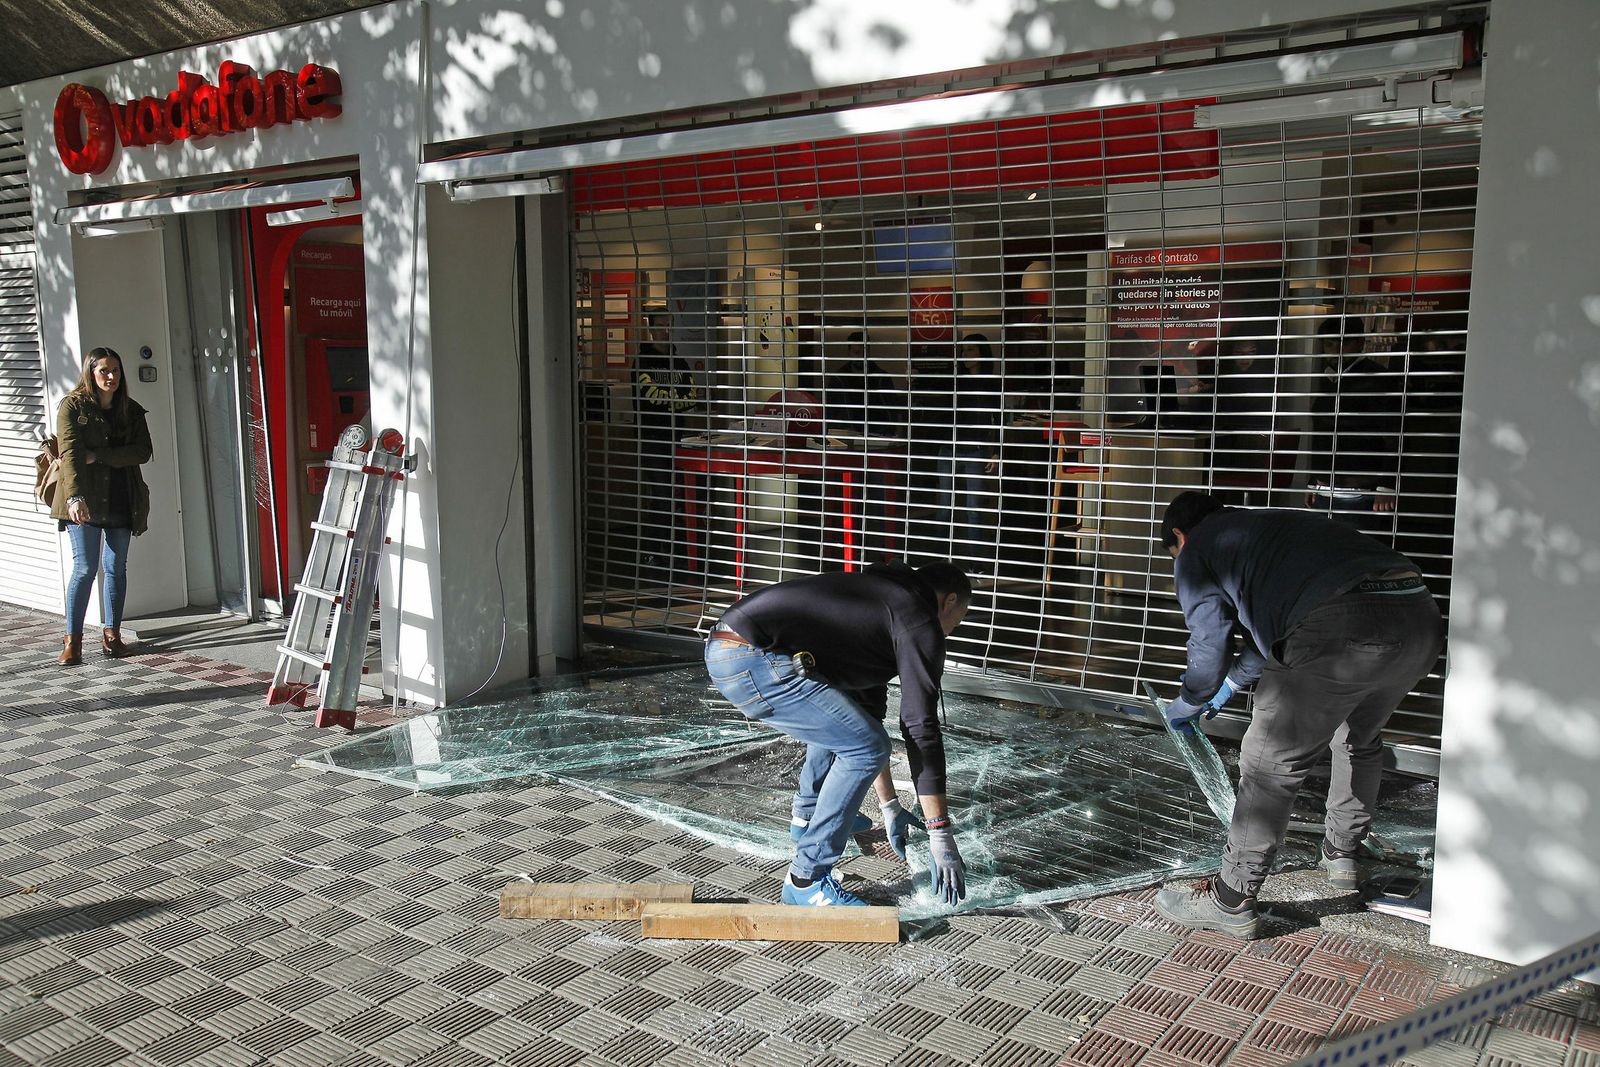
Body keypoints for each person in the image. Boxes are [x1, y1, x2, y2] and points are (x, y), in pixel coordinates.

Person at [1151, 491, 1444, 939]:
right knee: (1359, 738)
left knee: (1270, 761)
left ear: (1178, 535)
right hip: (1417, 616)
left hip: (1340, 624)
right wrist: (1230, 686)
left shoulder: (1199, 547)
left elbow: (1210, 644)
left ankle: (1231, 898)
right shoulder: (1271, 530)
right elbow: (1269, 630)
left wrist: (1188, 702)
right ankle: (1343, 854)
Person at [704, 561, 973, 907]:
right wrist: (940, 832)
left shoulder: (883, 601)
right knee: (867, 748)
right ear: (949, 601)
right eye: (959, 620)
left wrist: (890, 805)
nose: (951, 630)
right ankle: (805, 879)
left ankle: (807, 823)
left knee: (850, 728)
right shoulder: (918, 619)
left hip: (732, 647)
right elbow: (920, 728)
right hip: (751, 660)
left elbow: (866, 716)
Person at [50, 346, 153, 666]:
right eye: (104, 371)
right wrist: (74, 498)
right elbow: (70, 454)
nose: (111, 377)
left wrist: (100, 455)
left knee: (115, 568)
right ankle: (73, 641)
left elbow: (142, 451)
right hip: (85, 498)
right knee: (84, 568)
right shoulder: (73, 406)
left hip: (122, 497)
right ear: (91, 373)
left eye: (116, 371)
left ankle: (113, 636)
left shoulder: (131, 410)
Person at [1305, 319, 1404, 538]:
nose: (1336, 350)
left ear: (1360, 342)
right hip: (1327, 489)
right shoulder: (1328, 376)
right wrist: (1314, 479)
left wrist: (1387, 485)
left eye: (1343, 343)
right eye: (1329, 344)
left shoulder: (1379, 380)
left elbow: (1394, 434)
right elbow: (1322, 430)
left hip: (1359, 490)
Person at [633, 311, 702, 574]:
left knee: (678, 495)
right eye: (660, 327)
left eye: (667, 326)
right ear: (651, 330)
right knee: (662, 495)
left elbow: (692, 396)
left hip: (679, 439)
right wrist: (676, 397)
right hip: (653, 439)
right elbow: (648, 396)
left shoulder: (679, 361)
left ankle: (676, 550)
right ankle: (654, 551)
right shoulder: (643, 361)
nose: (665, 331)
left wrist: (669, 398)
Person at [937, 334, 1004, 566]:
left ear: (982, 353)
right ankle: (941, 561)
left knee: (973, 509)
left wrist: (996, 450)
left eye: (971, 350)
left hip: (975, 449)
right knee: (945, 508)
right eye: (964, 351)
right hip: (949, 448)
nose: (966, 355)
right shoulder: (955, 380)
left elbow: (999, 418)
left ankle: (976, 562)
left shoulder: (993, 383)